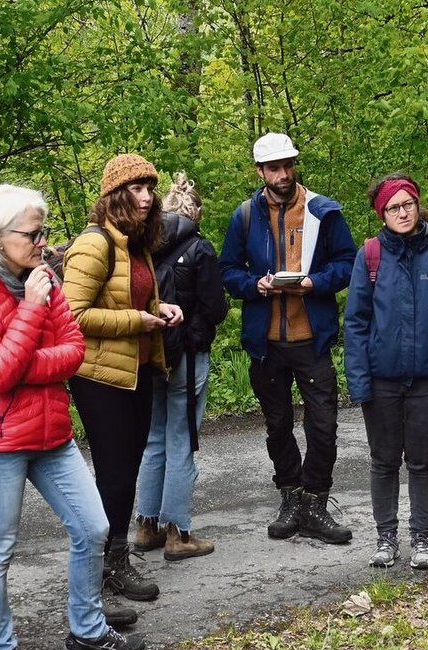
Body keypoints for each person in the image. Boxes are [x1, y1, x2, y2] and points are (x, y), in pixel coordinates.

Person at [0, 184, 146, 650]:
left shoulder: (45, 278)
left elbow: (74, 350)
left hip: (52, 433)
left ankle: (87, 630)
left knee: (93, 526)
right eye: (33, 234)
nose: (42, 243)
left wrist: (25, 361)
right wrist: (33, 313)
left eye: (44, 232)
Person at [219, 132, 357, 544]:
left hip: (310, 338)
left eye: (288, 165)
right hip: (266, 342)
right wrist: (254, 285)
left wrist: (315, 282)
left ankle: (315, 502)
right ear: (260, 171)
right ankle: (290, 497)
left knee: (324, 424)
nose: (282, 174)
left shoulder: (323, 211)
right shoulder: (244, 215)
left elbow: (348, 263)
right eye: (274, 167)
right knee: (277, 424)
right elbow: (228, 270)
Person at [64, 154, 184, 603]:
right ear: (114, 195)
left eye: (150, 189)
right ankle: (105, 565)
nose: (148, 198)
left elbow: (127, 303)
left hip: (135, 372)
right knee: (114, 474)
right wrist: (138, 320)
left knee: (126, 470)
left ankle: (110, 558)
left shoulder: (135, 245)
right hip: (100, 377)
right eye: (137, 189)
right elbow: (72, 315)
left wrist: (158, 310)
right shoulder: (94, 244)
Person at [344, 173, 428, 570]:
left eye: (407, 204)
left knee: (422, 460)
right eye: (393, 207)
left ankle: (421, 539)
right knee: (383, 461)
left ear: (418, 205)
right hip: (381, 380)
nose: (402, 212)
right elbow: (357, 322)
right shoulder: (371, 255)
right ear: (382, 213)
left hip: (427, 381)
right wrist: (359, 383)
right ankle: (386, 538)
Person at [134, 172, 229, 561]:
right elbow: (216, 308)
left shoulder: (144, 246)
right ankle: (178, 532)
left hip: (153, 352)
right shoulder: (200, 248)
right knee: (182, 439)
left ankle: (145, 525)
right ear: (197, 212)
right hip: (189, 357)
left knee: (154, 438)